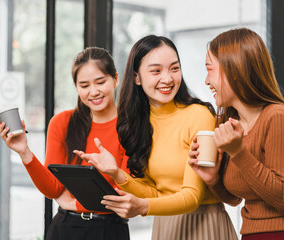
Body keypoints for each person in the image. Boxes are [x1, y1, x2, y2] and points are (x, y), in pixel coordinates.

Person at [75, 35, 238, 240]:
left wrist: (143, 207)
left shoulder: (198, 116)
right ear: (137, 77)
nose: (168, 78)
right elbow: (154, 192)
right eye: (156, 71)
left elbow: (192, 196)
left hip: (204, 224)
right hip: (165, 225)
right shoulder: (139, 122)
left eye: (174, 68)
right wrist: (117, 174)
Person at [188, 28, 284, 240]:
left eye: (209, 69)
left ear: (234, 69)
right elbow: (236, 197)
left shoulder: (279, 117)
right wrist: (214, 180)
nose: (206, 80)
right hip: (252, 234)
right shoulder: (232, 125)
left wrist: (238, 152)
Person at [0, 47, 130, 240]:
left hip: (110, 230)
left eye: (100, 82)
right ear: (76, 87)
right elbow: (53, 188)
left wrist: (75, 203)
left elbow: (124, 194)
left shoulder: (131, 127)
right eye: (84, 85)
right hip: (66, 228)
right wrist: (24, 151)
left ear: (116, 79)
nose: (94, 92)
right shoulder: (61, 123)